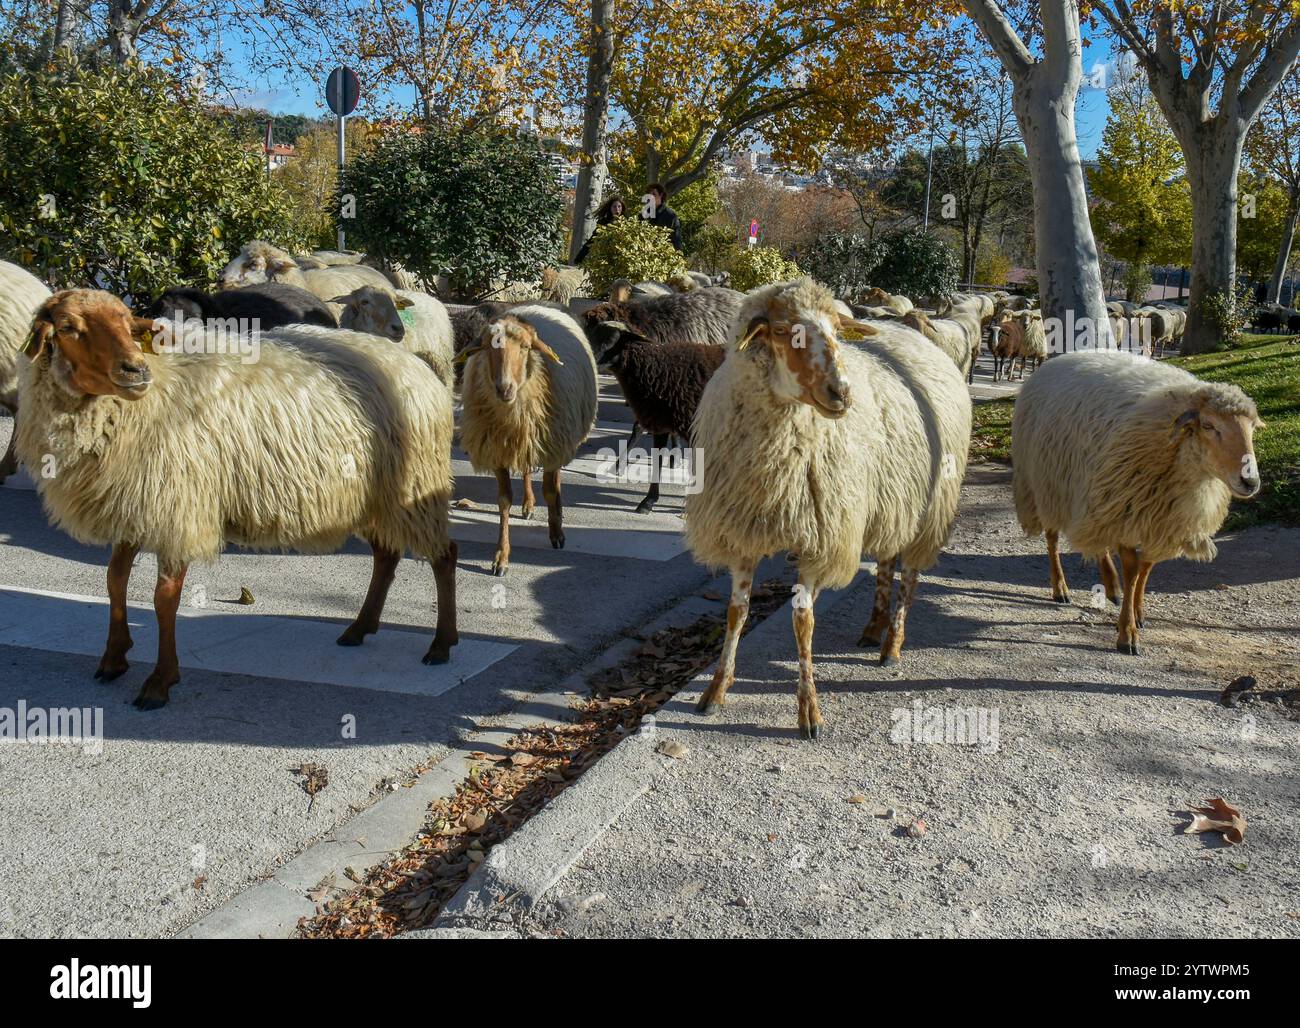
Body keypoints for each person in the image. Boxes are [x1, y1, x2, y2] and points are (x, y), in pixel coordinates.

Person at [574, 195, 626, 264]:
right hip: (605, 257)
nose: (617, 209)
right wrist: (579, 258)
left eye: (619, 206)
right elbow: (591, 241)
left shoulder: (626, 223)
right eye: (614, 206)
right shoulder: (603, 223)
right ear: (610, 208)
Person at [638, 182, 683, 251]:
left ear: (661, 195)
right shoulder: (643, 214)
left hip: (664, 255)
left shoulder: (670, 215)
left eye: (654, 194)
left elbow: (676, 240)